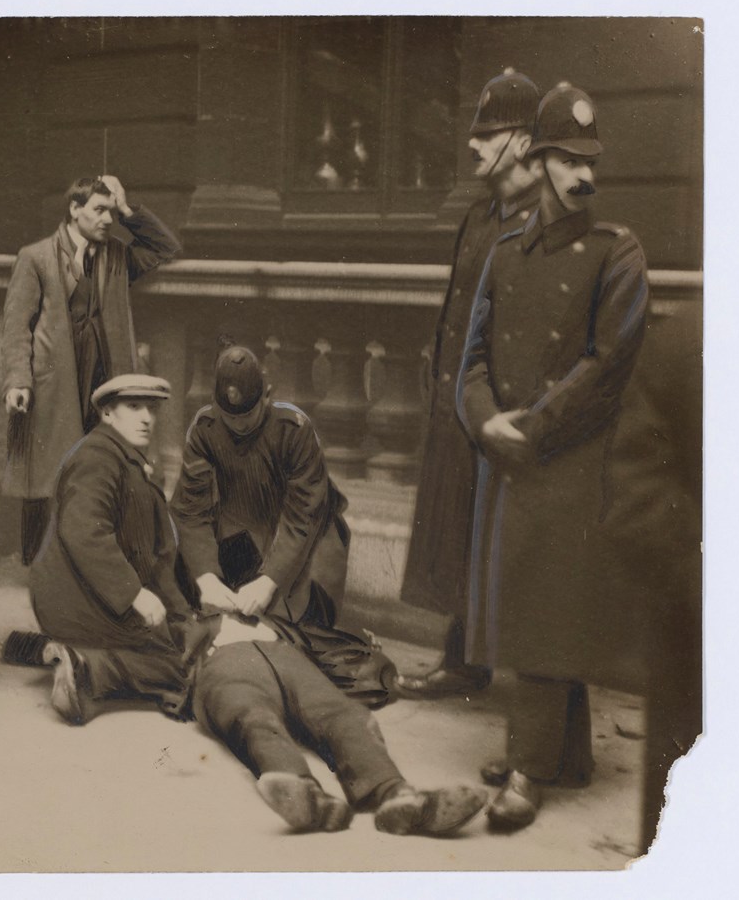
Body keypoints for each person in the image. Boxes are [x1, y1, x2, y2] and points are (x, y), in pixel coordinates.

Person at [457, 83, 650, 830]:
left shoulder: (617, 252)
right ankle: (564, 755)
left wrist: (530, 428)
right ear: (537, 163)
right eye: (567, 160)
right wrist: (483, 422)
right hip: (506, 450)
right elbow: (470, 357)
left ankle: (532, 768)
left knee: (545, 602)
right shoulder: (506, 252)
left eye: (589, 162)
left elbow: (608, 366)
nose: (583, 177)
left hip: (566, 456)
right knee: (522, 600)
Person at [395, 69, 542, 699]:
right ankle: (463, 662)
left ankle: (537, 704)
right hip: (458, 399)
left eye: (489, 134)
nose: (474, 146)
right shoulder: (480, 214)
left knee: (515, 548)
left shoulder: (548, 222)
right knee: (457, 529)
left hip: (505, 411)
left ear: (525, 143)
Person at [169, 345, 393, 706]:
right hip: (243, 534)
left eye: (248, 416)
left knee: (297, 634)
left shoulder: (295, 428)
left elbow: (303, 515)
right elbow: (190, 510)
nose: (239, 425)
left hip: (306, 542)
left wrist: (270, 580)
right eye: (231, 418)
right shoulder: (205, 429)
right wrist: (207, 577)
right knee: (208, 610)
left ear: (267, 397)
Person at [2, 176, 181, 565]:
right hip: (55, 381)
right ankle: (37, 563)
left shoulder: (116, 255)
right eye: (99, 210)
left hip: (105, 378)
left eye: (110, 212)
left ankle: (89, 563)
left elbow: (166, 247)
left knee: (101, 466)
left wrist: (129, 209)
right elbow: (17, 325)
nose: (107, 219)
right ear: (74, 209)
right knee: (45, 473)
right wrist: (18, 379)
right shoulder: (35, 257)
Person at [191, 612, 487, 836]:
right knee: (254, 717)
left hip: (287, 656)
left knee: (344, 713)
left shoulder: (277, 614)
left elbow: (337, 646)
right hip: (223, 665)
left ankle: (399, 796)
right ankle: (306, 796)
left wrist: (377, 665)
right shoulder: (185, 617)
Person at [30, 375, 208, 724]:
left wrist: (183, 616)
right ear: (108, 413)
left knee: (193, 640)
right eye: (134, 407)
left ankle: (53, 652)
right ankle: (89, 669)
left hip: (94, 596)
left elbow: (157, 558)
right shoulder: (98, 457)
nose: (147, 418)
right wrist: (133, 595)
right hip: (77, 599)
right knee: (189, 663)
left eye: (152, 409)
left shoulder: (128, 462)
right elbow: (85, 533)